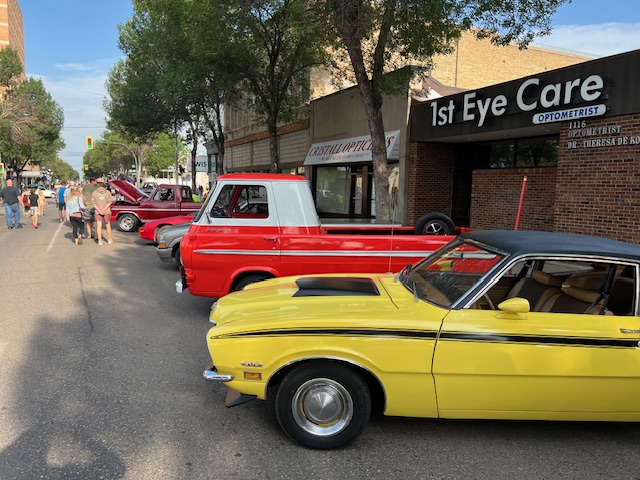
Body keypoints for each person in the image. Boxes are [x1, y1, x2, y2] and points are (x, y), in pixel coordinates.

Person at [91, 178, 114, 246]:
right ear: (103, 184)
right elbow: (110, 202)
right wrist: (104, 209)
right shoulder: (107, 192)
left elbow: (93, 203)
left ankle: (100, 241)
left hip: (98, 211)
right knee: (108, 225)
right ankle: (109, 239)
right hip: (106, 211)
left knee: (99, 226)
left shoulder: (94, 193)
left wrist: (99, 210)